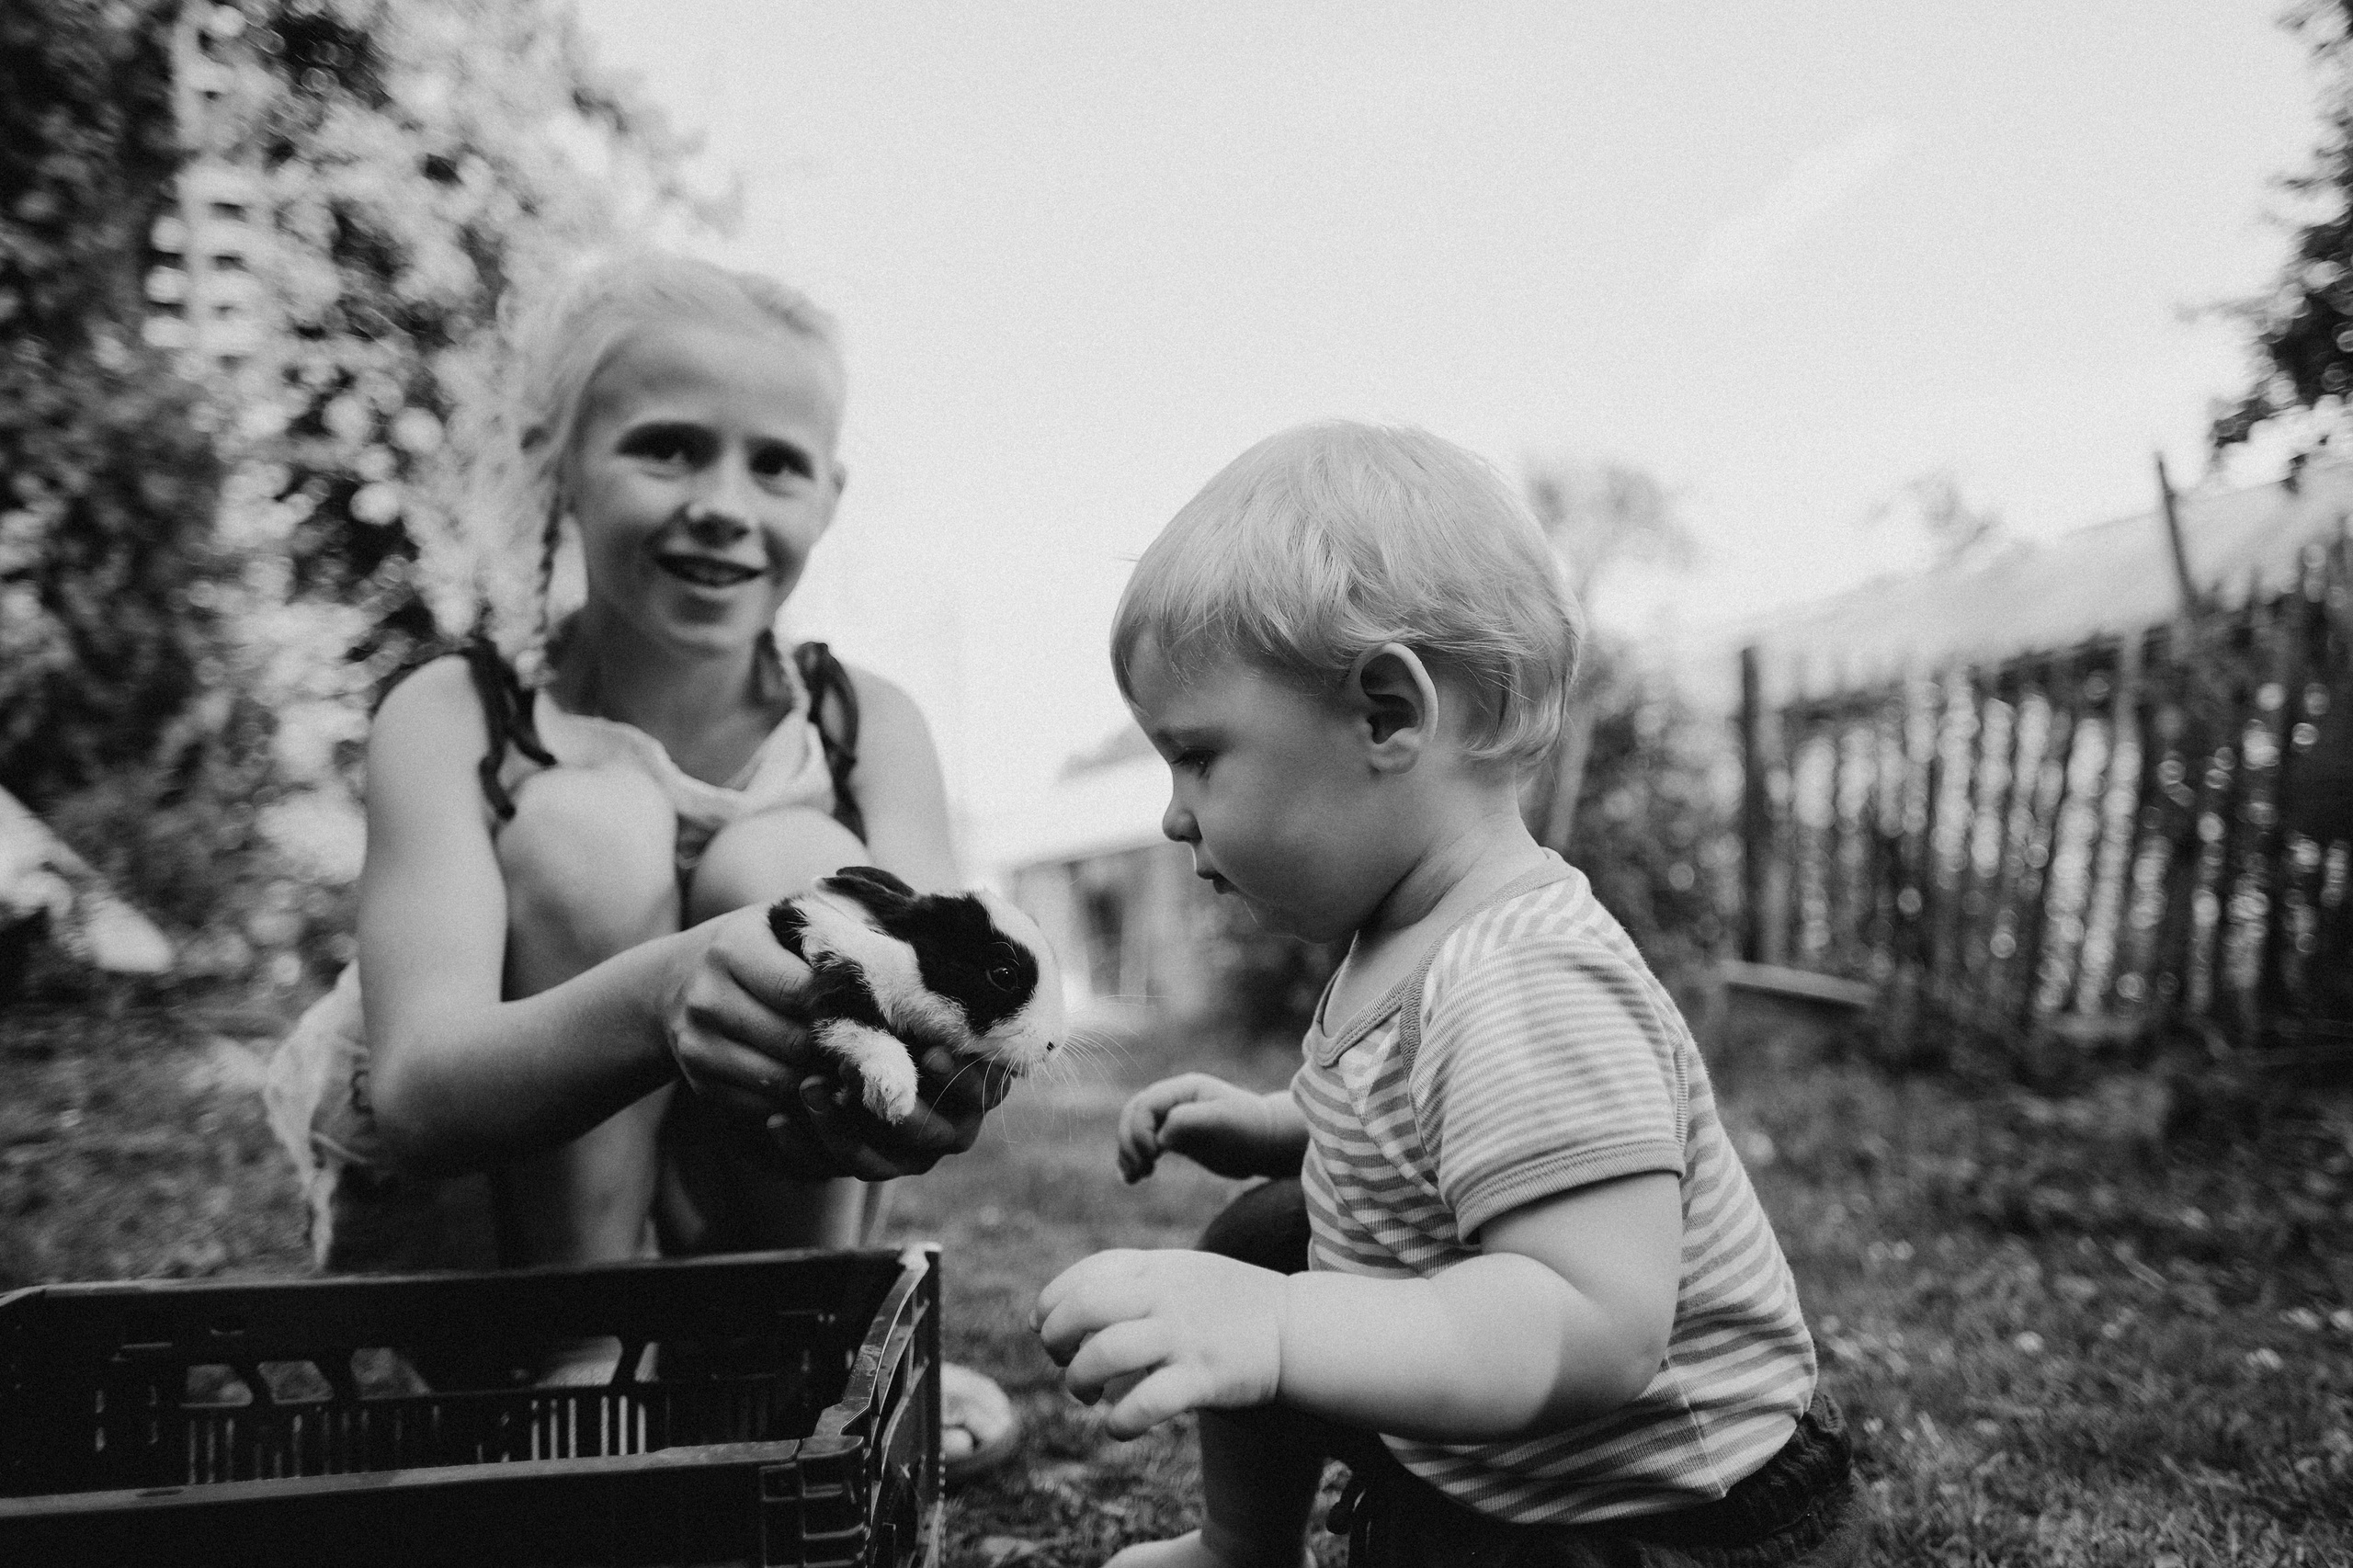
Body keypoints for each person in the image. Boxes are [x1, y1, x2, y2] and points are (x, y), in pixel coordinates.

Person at [1032, 423, 1856, 1566]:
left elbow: (1592, 1322)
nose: (1173, 814)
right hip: (1501, 1457)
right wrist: (1280, 1125)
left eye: (1198, 755)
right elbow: (1416, 1121)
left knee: (1275, 1281)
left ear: (1385, 713)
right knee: (1275, 1229)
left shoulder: (1523, 973)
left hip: (1649, 1510)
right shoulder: (1405, 932)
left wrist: (1276, 1327)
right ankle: (1241, 1547)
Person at [264, 250, 1017, 1470]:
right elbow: (417, 1089)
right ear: (555, 467)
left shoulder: (865, 725)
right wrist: (672, 990)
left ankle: (801, 1339)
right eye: (667, 447)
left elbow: (948, 1012)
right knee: (587, 826)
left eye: (774, 463)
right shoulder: (457, 714)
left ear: (829, 492)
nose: (724, 501)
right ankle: (586, 1355)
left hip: (753, 1216)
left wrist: (943, 1059)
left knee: (798, 860)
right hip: (505, 1276)